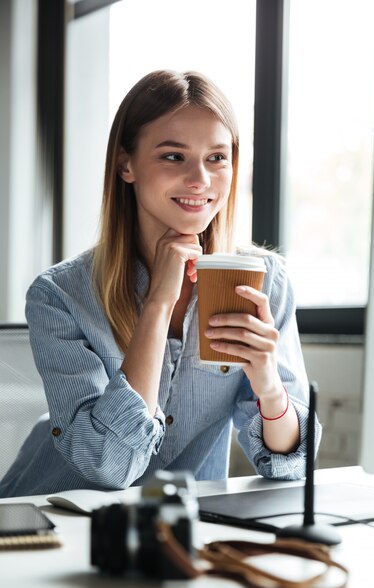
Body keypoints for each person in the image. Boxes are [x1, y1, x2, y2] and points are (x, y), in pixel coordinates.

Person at [0, 70, 321, 497]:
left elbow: (291, 467)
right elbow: (108, 466)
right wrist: (157, 305)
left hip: (177, 530)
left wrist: (267, 383)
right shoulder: (60, 295)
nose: (200, 180)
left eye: (217, 157)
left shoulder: (265, 282)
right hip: (50, 520)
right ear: (126, 164)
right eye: (173, 156)